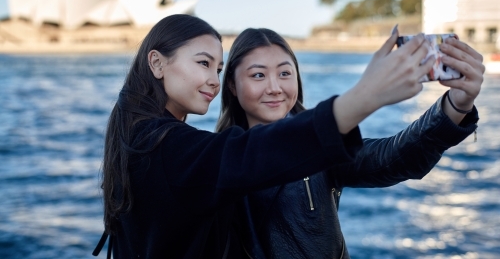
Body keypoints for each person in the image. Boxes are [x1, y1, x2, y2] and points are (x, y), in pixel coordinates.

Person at [92, 14, 437, 258]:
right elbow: (248, 157)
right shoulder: (170, 148)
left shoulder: (143, 137)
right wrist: (365, 96)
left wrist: (452, 109)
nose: (212, 78)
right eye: (202, 63)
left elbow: (389, 156)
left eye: (217, 67)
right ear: (157, 64)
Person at [216, 27, 483, 258]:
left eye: (285, 73)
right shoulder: (215, 159)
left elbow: (392, 157)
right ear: (231, 84)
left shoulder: (322, 150)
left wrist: (455, 106)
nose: (275, 87)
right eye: (258, 75)